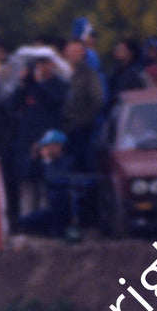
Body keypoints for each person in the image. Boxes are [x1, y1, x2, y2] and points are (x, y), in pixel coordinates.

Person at [9, 57, 67, 217]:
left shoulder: (59, 84)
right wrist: (23, 83)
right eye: (37, 64)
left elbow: (55, 102)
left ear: (51, 65)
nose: (40, 67)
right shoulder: (29, 85)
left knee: (45, 183)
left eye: (43, 63)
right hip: (27, 139)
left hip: (48, 140)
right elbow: (14, 105)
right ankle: (26, 219)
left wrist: (39, 83)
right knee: (27, 183)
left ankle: (44, 221)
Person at [16, 130, 73, 237]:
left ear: (59, 146)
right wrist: (34, 157)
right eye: (45, 146)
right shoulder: (39, 163)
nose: (47, 149)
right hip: (44, 203)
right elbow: (28, 175)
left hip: (59, 204)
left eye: (51, 146)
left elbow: (58, 177)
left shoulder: (67, 162)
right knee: (25, 221)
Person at [61, 39, 103, 171]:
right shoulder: (60, 71)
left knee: (80, 165)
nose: (73, 54)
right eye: (70, 50)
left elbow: (97, 100)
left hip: (80, 129)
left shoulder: (88, 73)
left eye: (76, 50)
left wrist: (83, 121)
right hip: (60, 126)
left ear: (83, 53)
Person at [106, 37, 149, 112]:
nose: (117, 51)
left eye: (121, 49)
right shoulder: (116, 71)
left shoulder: (135, 74)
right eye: (117, 48)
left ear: (130, 53)